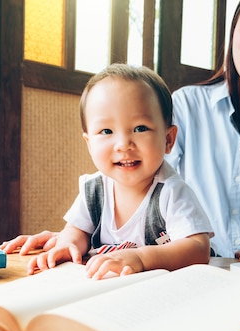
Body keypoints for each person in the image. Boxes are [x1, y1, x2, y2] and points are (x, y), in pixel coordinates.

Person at [1, 0, 240, 262]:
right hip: (193, 268)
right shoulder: (187, 104)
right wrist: (76, 237)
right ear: (233, 33)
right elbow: (143, 184)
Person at [13, 64, 213, 278]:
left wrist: (140, 258)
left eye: (140, 128)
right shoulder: (93, 190)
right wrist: (67, 244)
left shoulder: (171, 192)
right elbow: (77, 231)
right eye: (106, 131)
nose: (123, 144)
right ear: (89, 144)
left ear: (168, 139)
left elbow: (198, 249)